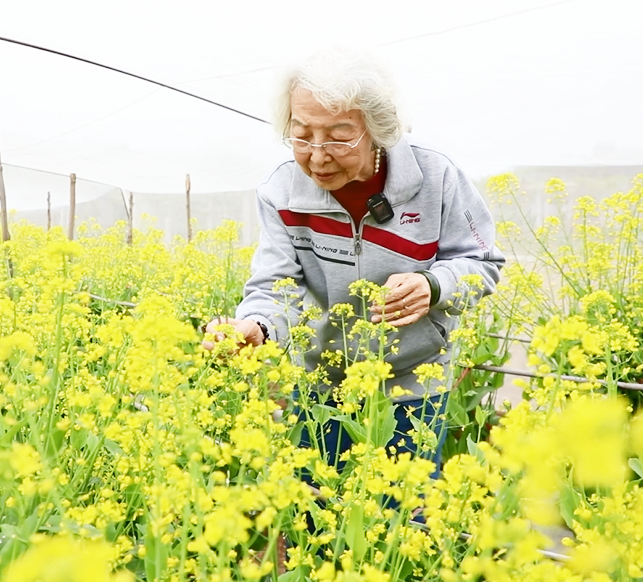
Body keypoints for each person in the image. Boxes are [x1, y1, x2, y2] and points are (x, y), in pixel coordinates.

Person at [203, 48, 504, 477]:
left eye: (339, 136)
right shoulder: (281, 192)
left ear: (377, 129)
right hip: (322, 383)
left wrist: (434, 286)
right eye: (302, 135)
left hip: (413, 381)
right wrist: (259, 326)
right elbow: (275, 285)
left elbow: (483, 262)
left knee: (403, 519)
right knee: (318, 513)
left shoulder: (436, 179)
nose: (318, 155)